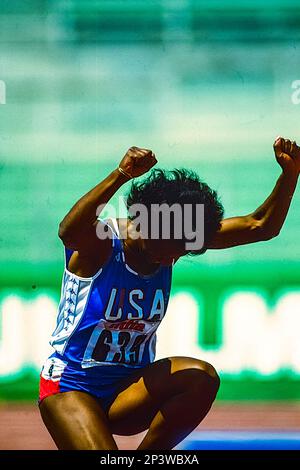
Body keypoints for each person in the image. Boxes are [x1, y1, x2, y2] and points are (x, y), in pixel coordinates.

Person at [39, 137, 299, 450]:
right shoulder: (103, 243)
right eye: (167, 251)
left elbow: (260, 226)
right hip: (71, 386)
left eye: (181, 252)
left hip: (127, 391)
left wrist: (290, 174)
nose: (172, 260)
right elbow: (68, 231)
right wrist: (120, 176)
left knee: (201, 378)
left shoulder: (176, 236)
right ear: (146, 224)